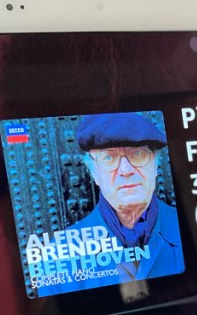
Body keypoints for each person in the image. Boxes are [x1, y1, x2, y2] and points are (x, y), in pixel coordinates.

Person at [65, 112, 184, 289]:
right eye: (108, 158)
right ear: (94, 173)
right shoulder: (61, 251)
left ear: (155, 165)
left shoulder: (187, 228)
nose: (126, 170)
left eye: (138, 154)